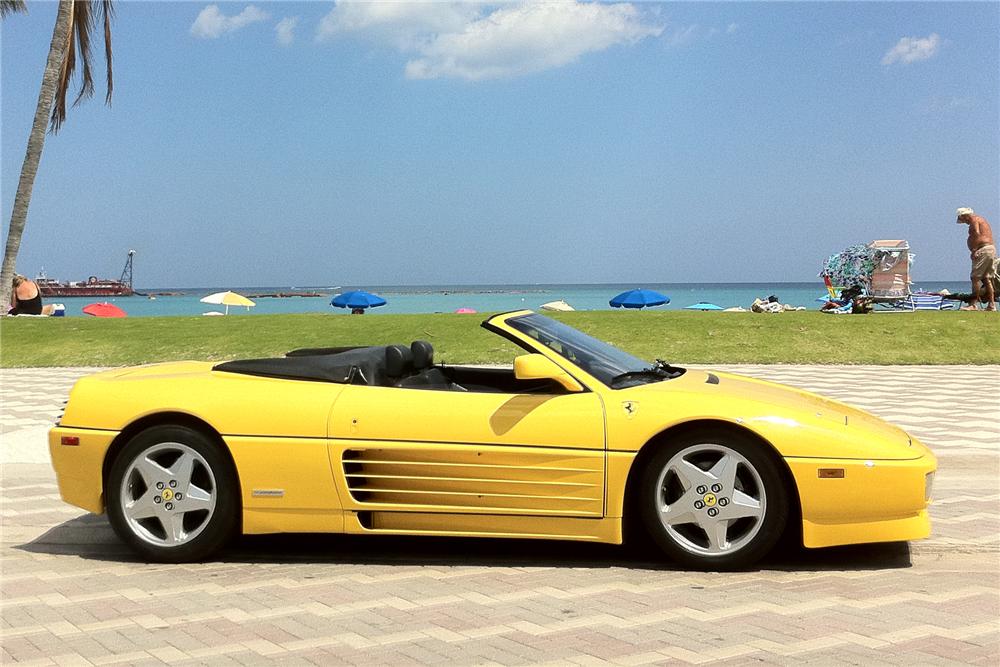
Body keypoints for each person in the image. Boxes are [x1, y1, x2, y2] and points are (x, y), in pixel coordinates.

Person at [956, 207, 997, 311]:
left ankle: (973, 304)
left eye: (962, 219)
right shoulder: (981, 220)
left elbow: (976, 233)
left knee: (975, 278)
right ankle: (991, 305)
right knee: (986, 278)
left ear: (964, 216)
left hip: (982, 249)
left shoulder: (974, 220)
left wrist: (974, 250)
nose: (964, 222)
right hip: (990, 249)